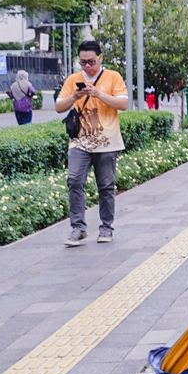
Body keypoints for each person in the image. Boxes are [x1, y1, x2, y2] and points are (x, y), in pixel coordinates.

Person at [54, 41, 129, 246]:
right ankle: (78, 228)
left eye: (91, 62)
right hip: (79, 141)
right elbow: (59, 107)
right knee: (74, 180)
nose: (87, 66)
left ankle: (106, 228)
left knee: (106, 186)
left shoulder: (113, 77)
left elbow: (123, 103)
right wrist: (74, 96)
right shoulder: (73, 80)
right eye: (83, 62)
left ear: (100, 58)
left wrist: (99, 94)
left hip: (107, 142)